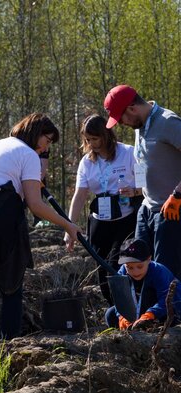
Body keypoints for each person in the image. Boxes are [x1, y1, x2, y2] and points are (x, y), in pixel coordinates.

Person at [0, 113, 82, 339]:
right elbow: (35, 205)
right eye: (47, 141)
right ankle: (9, 345)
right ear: (36, 133)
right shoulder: (28, 154)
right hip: (1, 216)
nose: (46, 148)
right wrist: (68, 225)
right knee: (11, 287)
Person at [104, 85, 181, 278]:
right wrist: (138, 192)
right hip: (147, 209)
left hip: (171, 210)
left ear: (132, 108)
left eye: (121, 119)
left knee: (166, 274)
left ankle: (169, 308)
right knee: (138, 268)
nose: (122, 124)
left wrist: (178, 194)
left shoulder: (168, 122)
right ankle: (147, 308)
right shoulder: (140, 126)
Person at [65, 114, 140, 305]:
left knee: (115, 264)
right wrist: (69, 226)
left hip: (125, 218)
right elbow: (80, 195)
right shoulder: (86, 162)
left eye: (95, 138)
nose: (92, 143)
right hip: (100, 219)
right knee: (101, 267)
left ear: (106, 135)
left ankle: (130, 306)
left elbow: (147, 184)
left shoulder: (129, 153)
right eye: (88, 140)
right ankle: (114, 308)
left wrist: (134, 191)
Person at [105, 238, 181, 330]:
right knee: (110, 314)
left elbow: (166, 300)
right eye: (130, 267)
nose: (135, 272)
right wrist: (121, 316)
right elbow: (120, 300)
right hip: (140, 308)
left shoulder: (159, 272)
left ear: (149, 259)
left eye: (139, 266)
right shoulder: (122, 273)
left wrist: (150, 314)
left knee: (168, 317)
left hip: (166, 309)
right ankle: (121, 339)